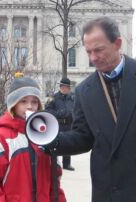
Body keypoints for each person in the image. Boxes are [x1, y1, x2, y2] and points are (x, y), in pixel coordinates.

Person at [44, 17, 136, 201]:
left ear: (117, 43)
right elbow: (83, 137)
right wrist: (50, 140)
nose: (93, 58)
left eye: (99, 50)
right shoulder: (84, 90)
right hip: (107, 192)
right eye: (88, 52)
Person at [0, 73, 66, 202]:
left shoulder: (46, 138)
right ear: (14, 104)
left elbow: (54, 182)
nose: (30, 106)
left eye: (34, 101)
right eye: (23, 101)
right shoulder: (1, 140)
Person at [45, 77, 75, 171]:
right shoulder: (53, 98)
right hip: (57, 124)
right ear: (60, 87)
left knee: (68, 144)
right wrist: (59, 114)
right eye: (63, 86)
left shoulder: (73, 98)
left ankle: (66, 164)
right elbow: (48, 111)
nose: (64, 88)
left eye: (66, 87)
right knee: (55, 145)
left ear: (69, 88)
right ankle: (55, 163)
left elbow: (77, 110)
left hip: (69, 125)